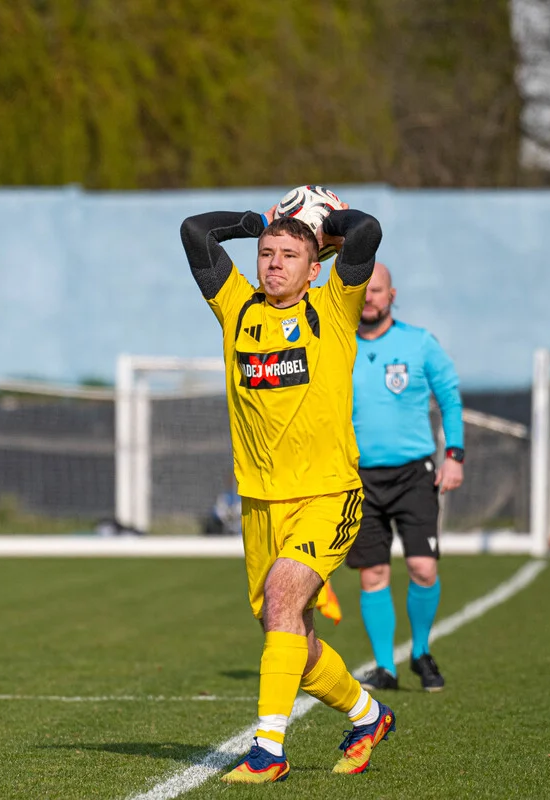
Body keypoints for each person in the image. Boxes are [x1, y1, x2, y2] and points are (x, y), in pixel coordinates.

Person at [180, 202, 394, 783]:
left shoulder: (334, 306)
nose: (274, 264)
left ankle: (268, 752)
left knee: (282, 597)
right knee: (289, 634)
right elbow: (196, 233)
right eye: (267, 255)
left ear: (314, 267)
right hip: (259, 503)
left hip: (327, 494)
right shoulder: (237, 306)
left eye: (290, 256)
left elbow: (368, 231)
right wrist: (256, 221)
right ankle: (368, 715)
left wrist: (327, 226)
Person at [348, 263, 463, 693]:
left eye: (376, 290)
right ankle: (385, 668)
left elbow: (450, 398)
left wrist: (454, 455)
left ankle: (420, 652)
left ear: (391, 295)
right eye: (363, 290)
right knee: (373, 573)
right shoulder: (338, 344)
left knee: (423, 567)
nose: (369, 298)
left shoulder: (419, 343)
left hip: (415, 474)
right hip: (358, 477)